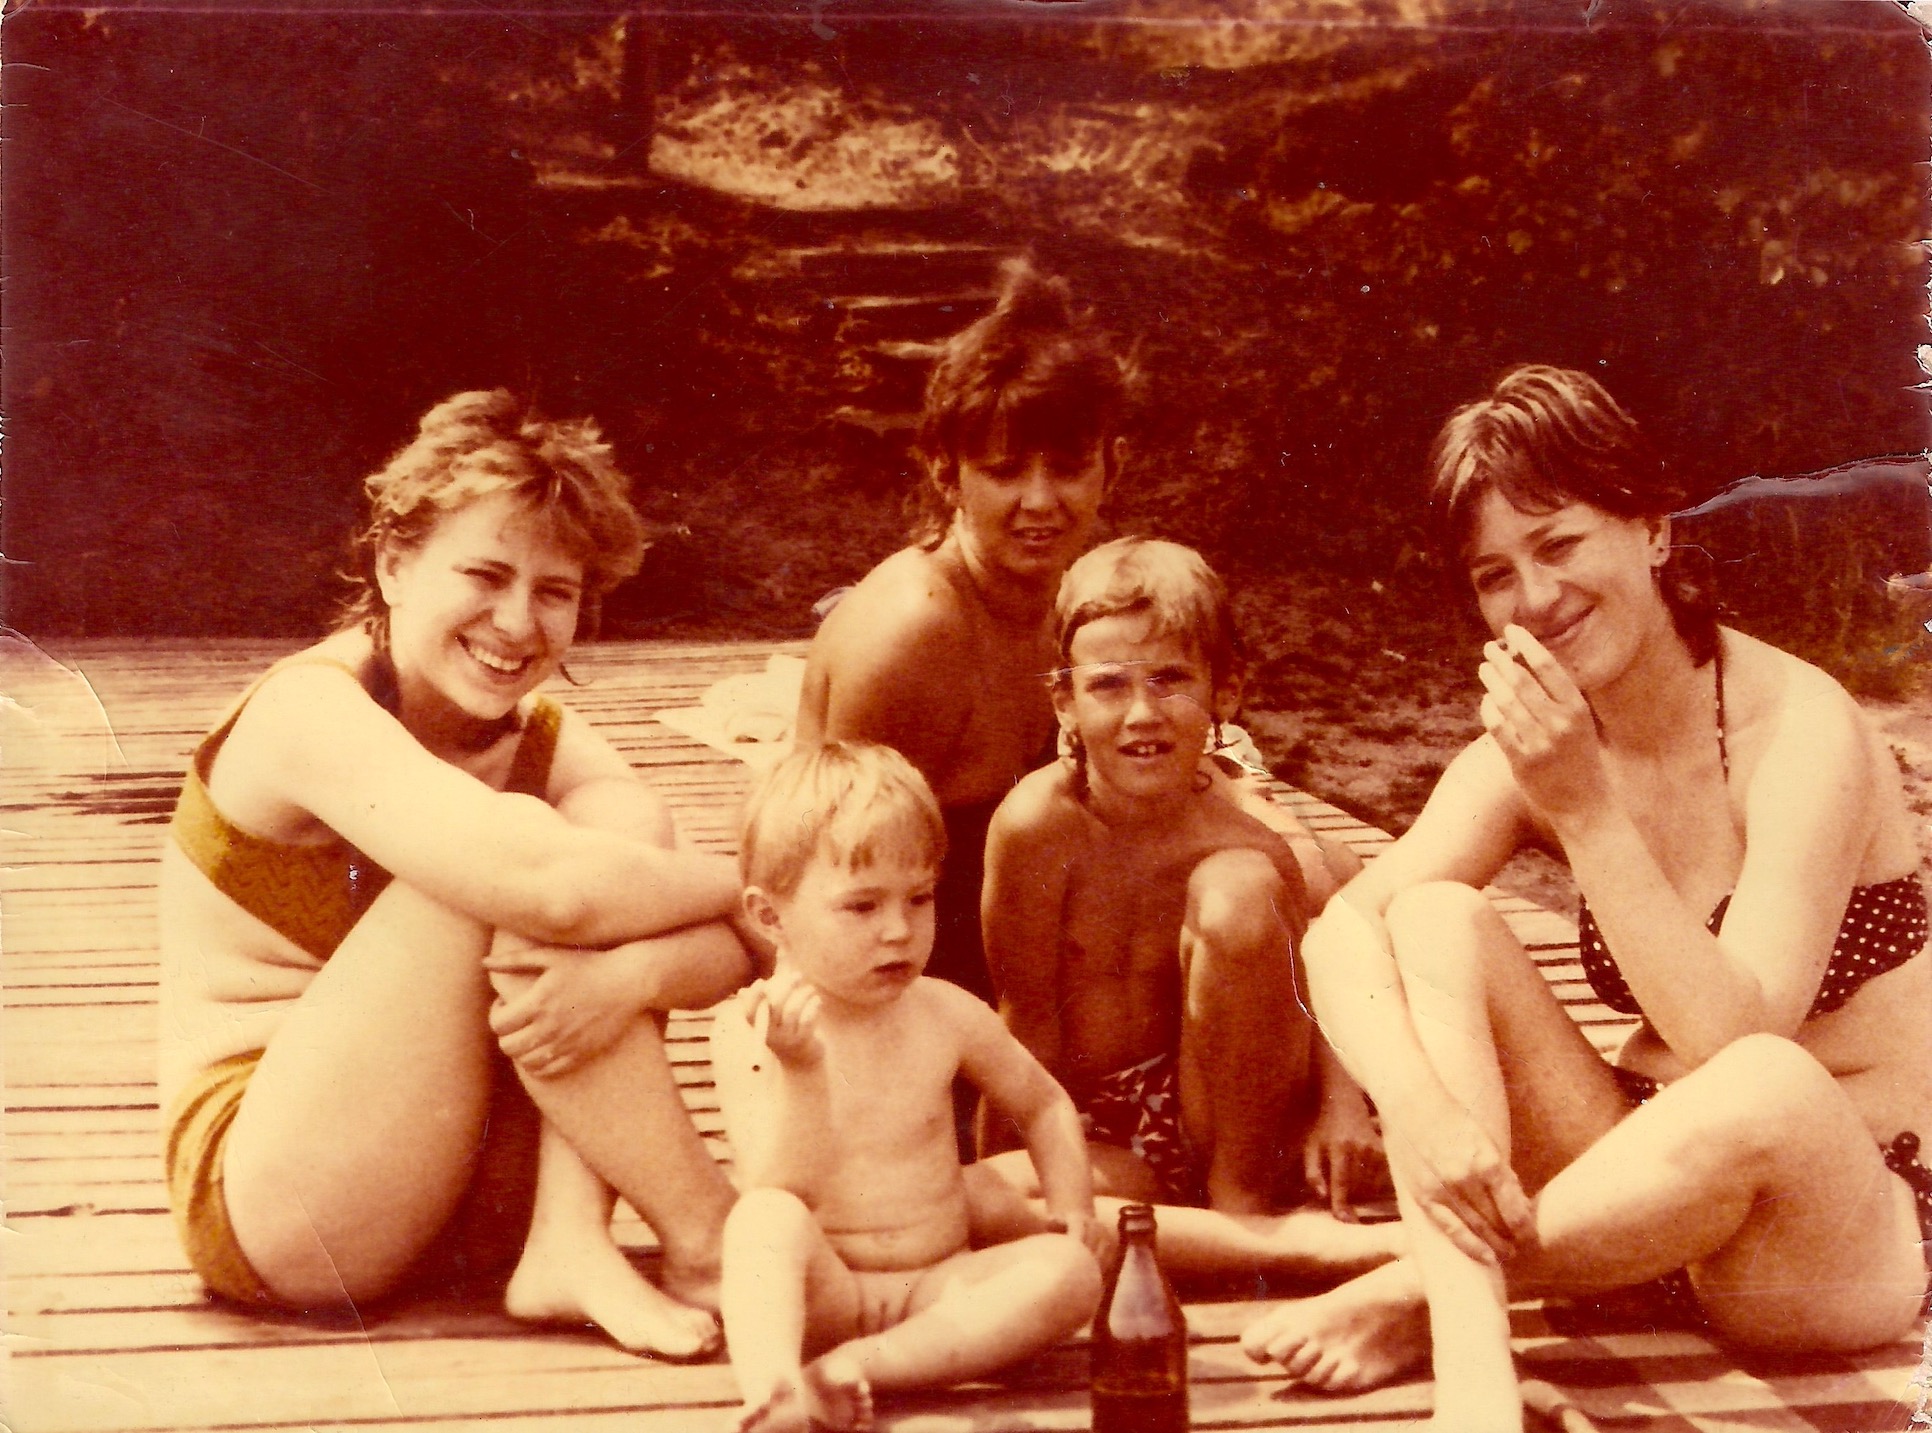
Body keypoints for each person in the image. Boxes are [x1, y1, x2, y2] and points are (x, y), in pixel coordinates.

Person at [1239, 367, 1932, 1431]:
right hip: (1636, 1196)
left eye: (1559, 544)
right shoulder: (1536, 743)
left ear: (1652, 527)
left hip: (1833, 1227)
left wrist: (1587, 810)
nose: (1536, 599)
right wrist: (1421, 1115)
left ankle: (1422, 1286)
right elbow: (1339, 931)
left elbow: (1730, 1034)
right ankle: (1477, 1387)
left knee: (1769, 1077)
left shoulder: (1801, 729)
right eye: (1494, 574)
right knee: (1435, 920)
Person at [158, 389, 755, 1359]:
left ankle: (571, 1237)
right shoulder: (307, 712)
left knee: (626, 827)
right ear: (394, 563)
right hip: (283, 1202)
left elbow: (723, 954)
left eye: (554, 590)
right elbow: (567, 894)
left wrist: (633, 974)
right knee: (532, 856)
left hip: (463, 1190)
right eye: (484, 573)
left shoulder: (548, 743)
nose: (517, 622)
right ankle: (707, 1234)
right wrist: (741, 889)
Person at [968, 538, 1398, 1281]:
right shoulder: (1035, 828)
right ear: (1064, 701)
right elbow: (1023, 1025)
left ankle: (1238, 1211)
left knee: (1242, 890)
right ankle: (1244, 1244)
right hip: (1100, 1135)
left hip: (1228, 1118)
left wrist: (1341, 1101)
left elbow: (1316, 986)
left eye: (1171, 680)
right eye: (1108, 685)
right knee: (972, 1204)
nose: (1143, 714)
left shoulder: (1246, 839)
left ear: (1223, 693)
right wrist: (996, 1167)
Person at [714, 742, 1102, 1433]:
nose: (898, 929)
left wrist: (1073, 1204)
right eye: (861, 907)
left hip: (939, 1282)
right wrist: (802, 1068)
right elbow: (783, 1189)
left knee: (1070, 1271)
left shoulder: (944, 1011)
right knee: (759, 1224)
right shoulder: (754, 1027)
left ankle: (856, 1368)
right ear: (771, 917)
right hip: (823, 1286)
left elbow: (1041, 1103)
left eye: (918, 898)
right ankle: (771, 1390)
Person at [793, 260, 1128, 1031]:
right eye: (1005, 471)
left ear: (1112, 465)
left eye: (1070, 469)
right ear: (947, 471)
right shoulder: (914, 635)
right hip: (897, 989)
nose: (1041, 502)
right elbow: (822, 878)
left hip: (1016, 961)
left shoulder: (1072, 598)